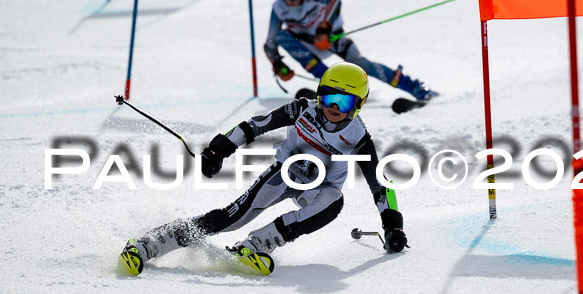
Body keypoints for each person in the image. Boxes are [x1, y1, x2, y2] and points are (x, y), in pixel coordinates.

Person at [120, 62, 408, 276]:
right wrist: (219, 149)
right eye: (328, 95)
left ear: (358, 105)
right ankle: (150, 243)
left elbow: (380, 185)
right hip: (284, 173)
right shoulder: (302, 109)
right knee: (231, 218)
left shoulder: (358, 138)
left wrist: (392, 225)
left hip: (321, 188)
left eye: (343, 101)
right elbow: (256, 124)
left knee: (333, 202)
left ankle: (257, 244)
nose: (333, 106)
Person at [264, 0, 438, 102]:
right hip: (306, 46)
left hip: (332, 39)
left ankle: (417, 88)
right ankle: (333, 88)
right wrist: (278, 64)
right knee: (283, 36)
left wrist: (324, 30)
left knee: (361, 65)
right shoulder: (278, 8)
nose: (288, 0)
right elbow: (270, 43)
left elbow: (334, 2)